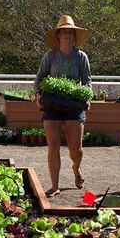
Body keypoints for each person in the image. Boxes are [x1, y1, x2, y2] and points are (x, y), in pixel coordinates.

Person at [35, 15, 91, 197]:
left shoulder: (81, 57)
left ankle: (76, 167)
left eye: (70, 32)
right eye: (64, 32)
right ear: (59, 36)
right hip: (52, 104)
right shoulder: (50, 56)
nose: (67, 35)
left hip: (74, 106)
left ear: (74, 36)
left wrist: (86, 96)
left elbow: (87, 81)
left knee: (76, 149)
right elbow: (40, 78)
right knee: (53, 145)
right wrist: (37, 95)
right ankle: (54, 185)